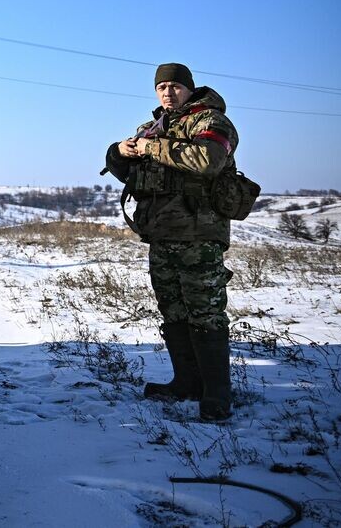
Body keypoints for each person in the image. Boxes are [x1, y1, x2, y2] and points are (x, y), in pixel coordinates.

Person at [105, 63, 239, 422]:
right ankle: (186, 382)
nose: (168, 92)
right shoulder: (152, 128)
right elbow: (129, 173)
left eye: (175, 86)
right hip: (161, 235)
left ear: (189, 89)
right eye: (161, 87)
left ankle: (216, 395)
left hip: (198, 235)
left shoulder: (210, 121)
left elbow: (208, 160)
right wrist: (121, 151)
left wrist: (152, 148)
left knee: (206, 313)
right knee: (174, 312)